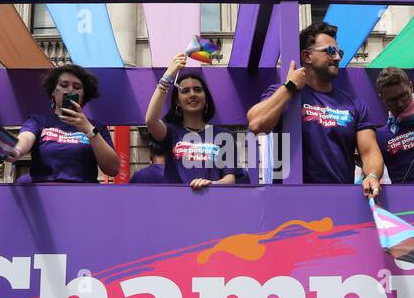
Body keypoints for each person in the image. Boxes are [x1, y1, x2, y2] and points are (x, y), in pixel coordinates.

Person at [246, 21, 384, 197]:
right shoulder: (283, 92)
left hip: (340, 201)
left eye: (339, 52)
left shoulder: (354, 104)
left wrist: (372, 175)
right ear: (307, 56)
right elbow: (256, 124)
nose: (338, 58)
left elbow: (370, 151)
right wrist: (290, 87)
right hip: (291, 202)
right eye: (330, 51)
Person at [7, 65, 120, 183]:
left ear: (83, 94)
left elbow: (113, 169)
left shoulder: (97, 127)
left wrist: (88, 130)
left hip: (83, 196)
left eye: (77, 87)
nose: (70, 90)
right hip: (44, 194)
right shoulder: (38, 121)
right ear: (53, 91)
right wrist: (17, 150)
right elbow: (26, 136)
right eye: (64, 85)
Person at [144, 52, 238, 189]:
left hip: (213, 205)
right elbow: (151, 120)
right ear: (177, 101)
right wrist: (168, 76)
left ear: (206, 98)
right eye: (185, 91)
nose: (192, 94)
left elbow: (230, 178)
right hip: (177, 206)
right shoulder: (170, 132)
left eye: (198, 90)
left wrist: (212, 184)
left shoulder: (224, 135)